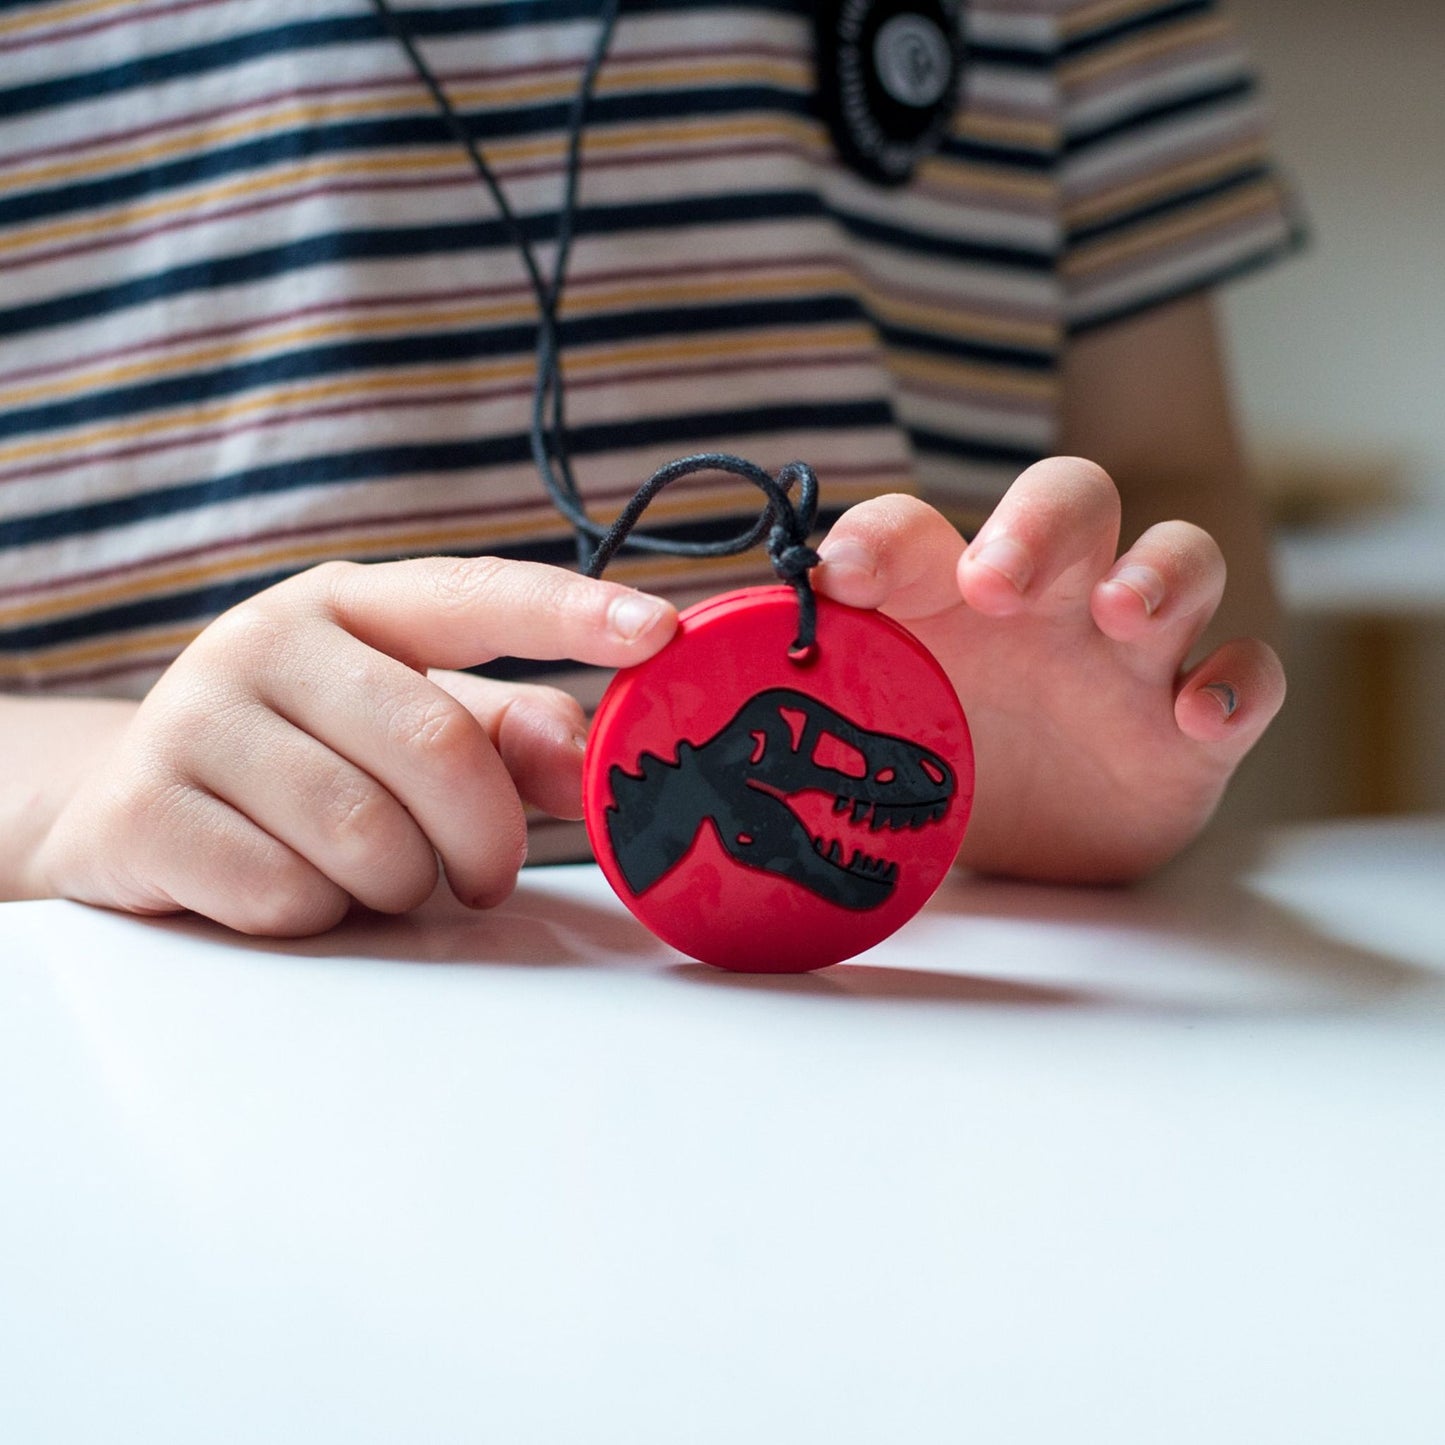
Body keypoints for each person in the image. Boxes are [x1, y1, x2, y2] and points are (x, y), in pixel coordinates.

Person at [0, 0, 1299, 935]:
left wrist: (1103, 697)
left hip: (938, 995)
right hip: (168, 993)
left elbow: (1168, 467)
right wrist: (77, 796)